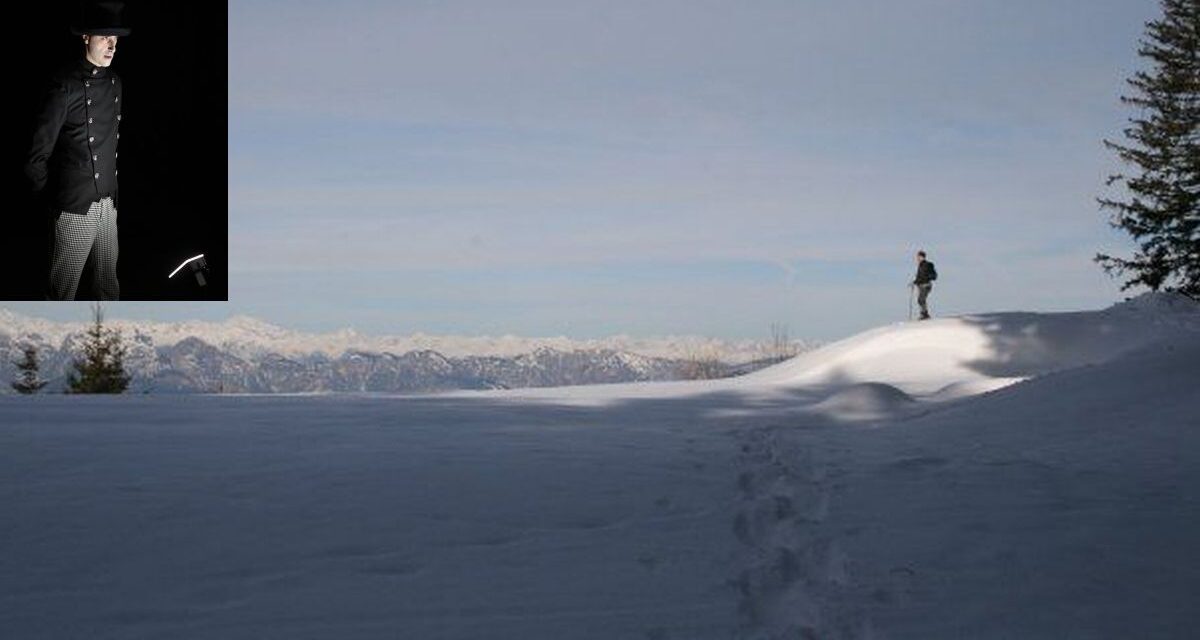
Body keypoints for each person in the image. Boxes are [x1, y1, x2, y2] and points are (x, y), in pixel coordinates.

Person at [25, 1, 129, 300]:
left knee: (109, 289)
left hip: (108, 204)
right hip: (74, 207)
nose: (111, 46)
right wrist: (56, 200)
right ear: (86, 37)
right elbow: (36, 155)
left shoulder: (115, 83)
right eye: (104, 38)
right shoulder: (64, 85)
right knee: (62, 293)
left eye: (115, 40)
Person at [911, 250, 937, 320]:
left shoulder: (927, 264)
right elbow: (919, 277)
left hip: (926, 285)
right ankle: (923, 314)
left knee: (921, 299)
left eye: (918, 257)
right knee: (920, 300)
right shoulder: (920, 265)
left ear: (922, 257)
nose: (917, 258)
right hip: (921, 286)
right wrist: (914, 282)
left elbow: (932, 276)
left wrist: (927, 278)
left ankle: (925, 314)